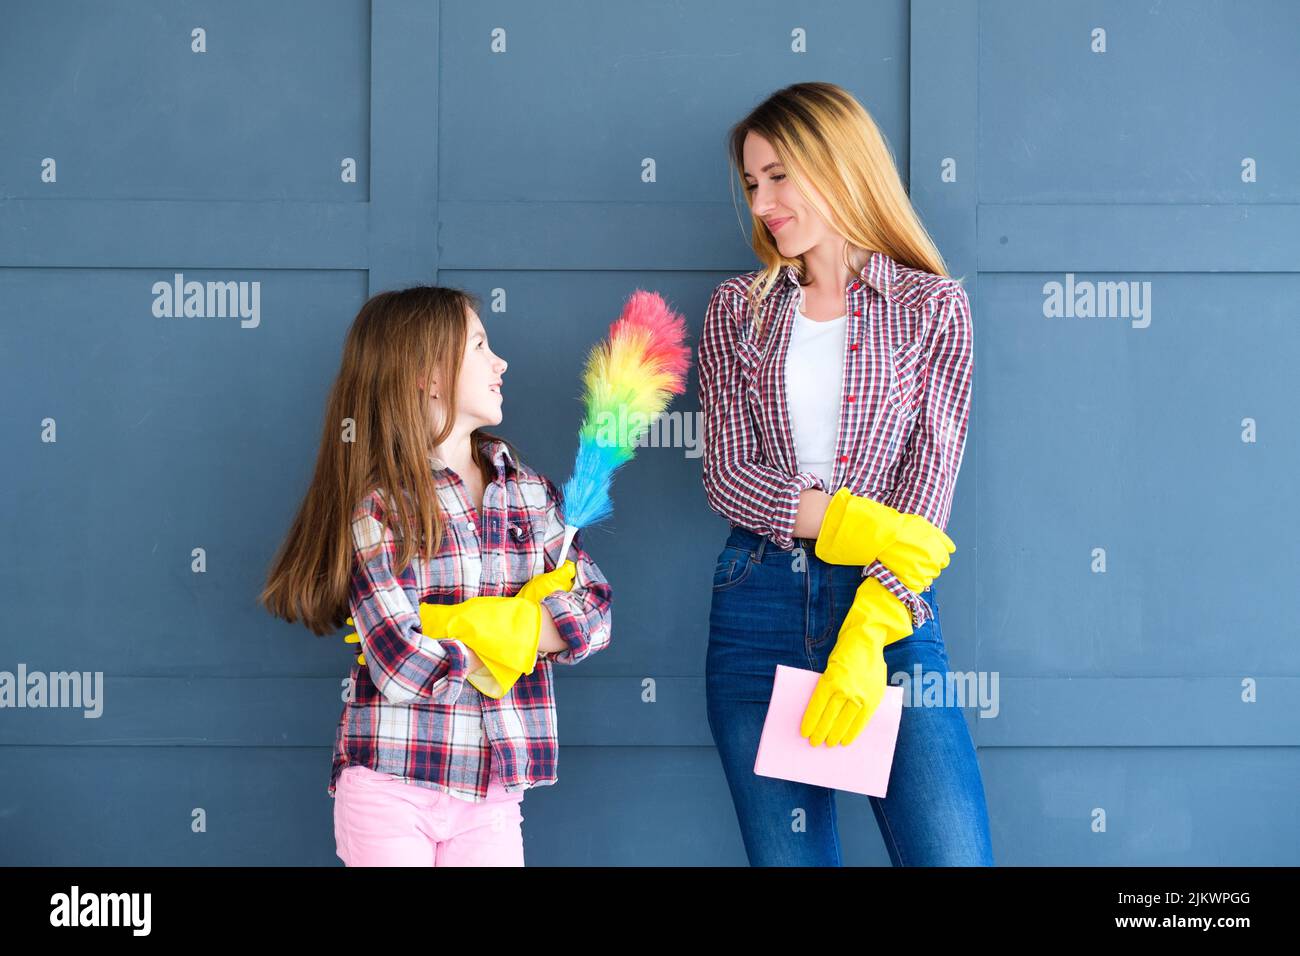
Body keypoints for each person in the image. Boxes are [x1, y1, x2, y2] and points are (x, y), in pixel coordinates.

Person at [699, 82, 994, 866]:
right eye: (752, 183)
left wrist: (868, 629)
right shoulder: (738, 308)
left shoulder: (933, 309)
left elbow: (924, 503)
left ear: (839, 164)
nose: (762, 201)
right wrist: (847, 521)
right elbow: (727, 476)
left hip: (886, 613)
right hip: (755, 606)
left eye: (778, 175)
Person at [259, 286, 612, 866]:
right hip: (392, 783)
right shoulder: (381, 508)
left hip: (494, 791)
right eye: (479, 345)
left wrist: (494, 629)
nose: (500, 363)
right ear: (428, 372)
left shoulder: (530, 493)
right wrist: (517, 638)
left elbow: (596, 612)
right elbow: (398, 662)